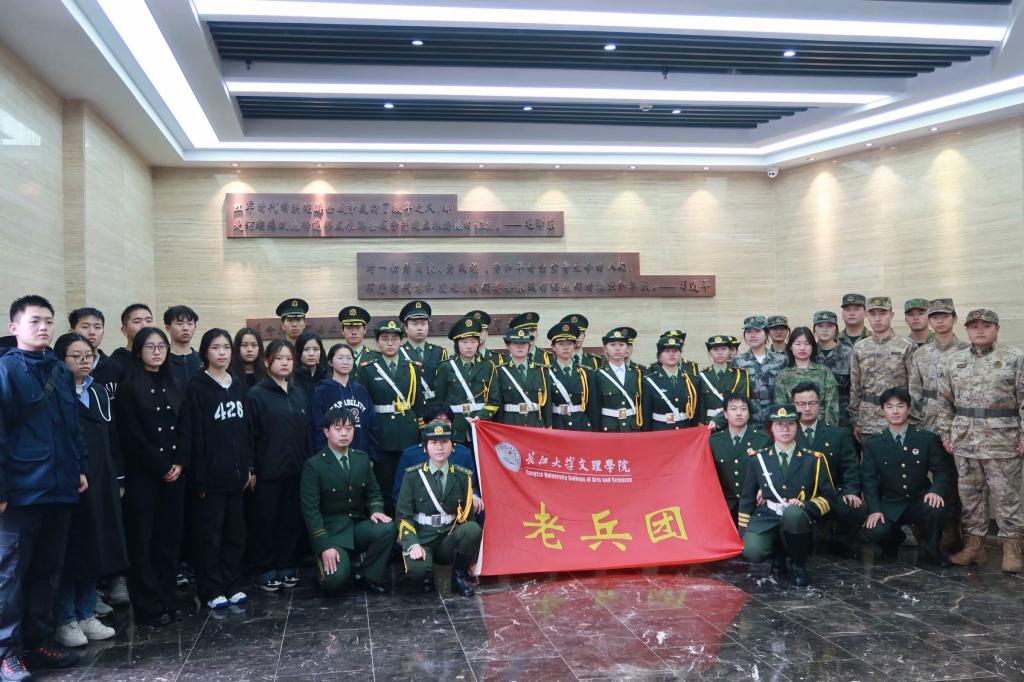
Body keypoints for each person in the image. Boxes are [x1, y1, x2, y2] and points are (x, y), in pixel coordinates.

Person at [0, 296, 88, 676]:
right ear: (14, 327)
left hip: (59, 487)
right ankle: (5, 652)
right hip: (19, 493)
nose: (43, 327)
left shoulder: (59, 370)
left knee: (47, 572)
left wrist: (79, 467)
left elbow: (72, 425)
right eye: (35, 321)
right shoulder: (5, 370)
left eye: (48, 321)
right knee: (9, 577)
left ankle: (37, 643)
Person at [937, 309, 1024, 572]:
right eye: (974, 326)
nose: (980, 330)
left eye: (986, 325)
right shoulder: (955, 361)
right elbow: (944, 401)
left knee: (1007, 497)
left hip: (1002, 440)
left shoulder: (1014, 358)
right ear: (967, 330)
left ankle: (1012, 549)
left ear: (996, 328)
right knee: (970, 496)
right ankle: (974, 547)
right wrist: (946, 433)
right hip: (965, 440)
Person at [53, 333, 125, 648]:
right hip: (70, 481)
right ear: (61, 360)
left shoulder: (97, 391)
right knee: (73, 551)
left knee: (97, 546)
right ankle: (66, 619)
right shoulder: (56, 391)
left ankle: (86, 613)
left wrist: (117, 478)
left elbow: (110, 436)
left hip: (101, 478)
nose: (85, 361)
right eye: (77, 356)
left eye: (89, 356)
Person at [115, 326, 186, 626]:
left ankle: (169, 597)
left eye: (161, 347)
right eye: (150, 347)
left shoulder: (176, 381)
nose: (157, 352)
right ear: (138, 351)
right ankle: (147, 604)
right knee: (143, 540)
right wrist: (160, 465)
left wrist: (179, 462)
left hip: (176, 472)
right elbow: (131, 434)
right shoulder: (129, 385)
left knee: (169, 539)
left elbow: (186, 425)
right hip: (144, 474)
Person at [179, 329, 253, 610]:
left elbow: (246, 431)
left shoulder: (237, 384)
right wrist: (198, 477)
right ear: (205, 352)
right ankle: (210, 588)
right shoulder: (197, 387)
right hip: (210, 478)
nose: (222, 353)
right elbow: (193, 434)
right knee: (210, 536)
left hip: (237, 476)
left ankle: (233, 583)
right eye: (215, 347)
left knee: (236, 534)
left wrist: (248, 466)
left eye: (226, 347)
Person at [738, 403, 835, 587]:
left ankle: (798, 565)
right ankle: (778, 553)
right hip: (768, 516)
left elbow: (829, 497)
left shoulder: (813, 459)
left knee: (793, 514)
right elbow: (747, 497)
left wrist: (805, 506)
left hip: (799, 519)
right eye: (779, 424)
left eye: (790, 424)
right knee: (752, 551)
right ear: (771, 428)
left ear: (797, 427)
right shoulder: (758, 458)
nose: (785, 429)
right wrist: (742, 531)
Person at [301, 408, 394, 596]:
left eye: (349, 428)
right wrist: (324, 546)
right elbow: (310, 511)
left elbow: (374, 491)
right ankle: (332, 564)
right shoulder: (314, 465)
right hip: (332, 533)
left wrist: (376, 509)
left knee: (387, 528)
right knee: (334, 582)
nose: (344, 433)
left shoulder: (361, 458)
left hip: (356, 527)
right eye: (338, 429)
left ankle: (367, 575)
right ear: (326, 432)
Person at [246, 340, 311, 592]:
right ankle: (266, 568)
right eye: (279, 358)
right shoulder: (256, 394)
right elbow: (249, 434)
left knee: (291, 520)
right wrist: (251, 467)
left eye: (289, 358)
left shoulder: (298, 392)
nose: (285, 363)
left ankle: (287, 565)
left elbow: (306, 434)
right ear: (266, 362)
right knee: (266, 521)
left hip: (296, 469)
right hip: (268, 471)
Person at [863, 388, 953, 567]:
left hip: (919, 500)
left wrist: (936, 491)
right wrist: (874, 509)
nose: (895, 411)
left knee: (936, 507)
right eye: (889, 407)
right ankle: (893, 540)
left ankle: (932, 549)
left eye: (900, 406)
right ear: (882, 411)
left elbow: (942, 470)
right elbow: (869, 480)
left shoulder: (926, 439)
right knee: (874, 531)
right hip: (890, 503)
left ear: (909, 409)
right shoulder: (874, 443)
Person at [396, 421, 481, 597]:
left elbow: (468, 517)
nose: (439, 447)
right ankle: (427, 574)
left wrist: (471, 559)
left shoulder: (462, 476)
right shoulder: (412, 476)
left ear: (452, 446)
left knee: (473, 529)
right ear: (425, 447)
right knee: (417, 571)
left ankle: (457, 577)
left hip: (448, 537)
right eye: (434, 443)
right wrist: (412, 544)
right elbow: (403, 516)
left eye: (444, 442)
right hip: (422, 537)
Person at [908, 298, 967, 551]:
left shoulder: (966, 351)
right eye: (935, 317)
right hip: (927, 424)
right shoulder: (920, 354)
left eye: (945, 316)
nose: (940, 321)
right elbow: (914, 392)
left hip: (959, 425)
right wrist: (914, 425)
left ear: (954, 318)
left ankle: (953, 528)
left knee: (955, 478)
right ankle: (925, 524)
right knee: (923, 476)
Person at [357, 320, 425, 511]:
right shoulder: (368, 369)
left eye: (394, 339)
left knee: (409, 482)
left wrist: (421, 432)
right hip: (382, 434)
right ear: (377, 342)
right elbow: (365, 407)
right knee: (385, 484)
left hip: (408, 433)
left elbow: (419, 404)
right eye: (385, 339)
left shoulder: (412, 367)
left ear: (401, 341)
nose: (390, 343)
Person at [791, 380, 864, 557]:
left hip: (831, 493)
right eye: (801, 404)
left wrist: (851, 491)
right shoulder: (786, 434)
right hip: (798, 496)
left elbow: (851, 467)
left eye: (812, 403)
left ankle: (841, 544)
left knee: (855, 507)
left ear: (819, 404)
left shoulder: (837, 434)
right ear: (793, 405)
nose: (807, 408)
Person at [849, 297, 917, 442]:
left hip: (898, 419)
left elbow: (915, 388)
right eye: (873, 314)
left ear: (891, 315)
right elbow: (855, 388)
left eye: (883, 313)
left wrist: (913, 420)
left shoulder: (907, 346)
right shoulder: (859, 348)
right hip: (868, 421)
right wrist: (855, 420)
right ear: (866, 315)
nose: (878, 319)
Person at [392, 406, 480, 508]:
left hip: (456, 513)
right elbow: (399, 495)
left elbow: (472, 485)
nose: (441, 425)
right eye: (436, 421)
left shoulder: (464, 453)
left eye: (446, 421)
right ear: (426, 424)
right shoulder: (411, 455)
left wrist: (474, 496)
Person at [709, 393, 770, 522]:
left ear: (748, 414)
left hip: (754, 506)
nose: (739, 413)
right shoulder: (714, 441)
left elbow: (771, 470)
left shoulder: (763, 440)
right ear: (725, 414)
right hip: (724, 507)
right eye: (733, 409)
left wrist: (765, 488)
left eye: (743, 409)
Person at [433, 316, 494, 444]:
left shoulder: (488, 366)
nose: (469, 346)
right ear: (457, 344)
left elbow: (495, 399)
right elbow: (440, 399)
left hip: (480, 425)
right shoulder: (446, 367)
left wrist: (480, 416)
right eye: (464, 342)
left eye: (473, 342)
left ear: (478, 343)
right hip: (455, 426)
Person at [310, 344, 378, 456]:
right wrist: (324, 456)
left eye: (349, 358)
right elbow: (318, 428)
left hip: (361, 455)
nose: (345, 362)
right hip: (332, 457)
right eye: (340, 358)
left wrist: (372, 456)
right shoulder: (322, 391)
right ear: (330, 362)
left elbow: (372, 425)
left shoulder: (361, 390)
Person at [481, 328, 551, 427]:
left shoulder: (541, 371)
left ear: (529, 345)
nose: (520, 346)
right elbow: (496, 402)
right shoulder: (499, 371)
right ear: (508, 346)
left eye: (524, 343)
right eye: (515, 343)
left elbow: (547, 404)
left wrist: (548, 427)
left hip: (535, 424)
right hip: (510, 425)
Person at [773, 327, 840, 425]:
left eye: (807, 343)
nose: (802, 348)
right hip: (793, 428)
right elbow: (782, 408)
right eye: (798, 344)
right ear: (791, 347)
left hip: (821, 428)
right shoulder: (783, 375)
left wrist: (829, 429)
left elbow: (832, 406)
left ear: (813, 346)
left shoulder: (824, 372)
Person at [731, 316, 787, 429]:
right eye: (748, 332)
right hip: (749, 418)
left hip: (775, 416)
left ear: (766, 333)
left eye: (757, 331)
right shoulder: (738, 361)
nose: (752, 335)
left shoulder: (781, 359)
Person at [641, 335, 700, 430]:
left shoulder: (692, 379)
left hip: (685, 430)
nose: (672, 354)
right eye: (667, 351)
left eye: (675, 351)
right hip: (661, 432)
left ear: (680, 354)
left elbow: (696, 412)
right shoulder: (650, 381)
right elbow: (646, 414)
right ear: (659, 356)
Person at [590, 329, 643, 432]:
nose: (617, 348)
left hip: (632, 428)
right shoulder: (597, 375)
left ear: (627, 349)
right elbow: (594, 408)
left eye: (621, 345)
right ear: (605, 349)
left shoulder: (637, 374)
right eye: (612, 345)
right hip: (609, 429)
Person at [546, 322, 595, 431]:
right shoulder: (546, 373)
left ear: (574, 346)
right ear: (553, 347)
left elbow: (592, 406)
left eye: (569, 344)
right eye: (561, 344)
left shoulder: (585, 372)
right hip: (557, 426)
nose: (566, 347)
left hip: (581, 425)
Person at [399, 300, 448, 404]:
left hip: (434, 408)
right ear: (405, 328)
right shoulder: (398, 352)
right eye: (414, 324)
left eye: (423, 323)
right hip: (409, 408)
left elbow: (444, 384)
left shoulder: (439, 352)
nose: (420, 328)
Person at [813, 310, 854, 429]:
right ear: (814, 329)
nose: (825, 330)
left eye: (829, 326)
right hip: (815, 419)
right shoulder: (809, 353)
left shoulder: (849, 354)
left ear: (836, 329)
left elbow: (856, 389)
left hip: (843, 419)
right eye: (820, 326)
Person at [698, 336, 750, 429]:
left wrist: (718, 420)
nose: (720, 352)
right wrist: (701, 426)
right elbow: (700, 407)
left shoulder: (739, 375)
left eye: (724, 349)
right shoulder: (702, 376)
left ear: (730, 352)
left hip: (733, 423)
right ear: (709, 352)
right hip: (709, 424)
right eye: (715, 349)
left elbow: (741, 402)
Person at [163, 305, 201, 387]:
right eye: (179, 324)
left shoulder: (203, 360)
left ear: (195, 327)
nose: (185, 328)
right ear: (168, 328)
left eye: (190, 323)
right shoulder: (161, 360)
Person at [292, 330, 328, 411]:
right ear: (298, 352)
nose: (311, 354)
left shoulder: (327, 377)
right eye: (306, 349)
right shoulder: (290, 378)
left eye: (315, 349)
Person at [229, 327, 266, 392]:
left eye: (254, 345)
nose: (249, 349)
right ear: (237, 348)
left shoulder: (267, 374)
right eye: (244, 345)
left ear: (259, 348)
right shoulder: (229, 375)